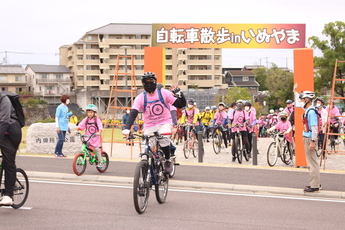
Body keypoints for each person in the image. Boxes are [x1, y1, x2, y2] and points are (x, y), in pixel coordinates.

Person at [122, 72, 186, 173]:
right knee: (145, 147)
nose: (149, 84)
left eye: (151, 82)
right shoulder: (140, 98)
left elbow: (180, 104)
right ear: (143, 84)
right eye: (146, 82)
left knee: (164, 140)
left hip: (165, 122)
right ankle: (144, 171)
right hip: (149, 125)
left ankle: (168, 160)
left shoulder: (164, 93)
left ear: (155, 82)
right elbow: (133, 112)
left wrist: (180, 95)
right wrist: (126, 128)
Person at [0, 92, 22, 206]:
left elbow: (4, 121)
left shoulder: (4, 101)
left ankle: (8, 195)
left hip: (10, 135)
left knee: (8, 162)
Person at [299, 91, 321, 193]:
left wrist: (313, 141)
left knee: (312, 163)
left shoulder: (311, 112)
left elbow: (314, 128)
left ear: (307, 100)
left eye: (302, 99)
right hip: (307, 138)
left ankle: (315, 186)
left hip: (309, 139)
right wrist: (296, 91)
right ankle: (315, 183)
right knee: (311, 162)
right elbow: (300, 105)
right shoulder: (308, 110)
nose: (301, 101)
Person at [75, 104, 104, 168]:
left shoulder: (97, 120)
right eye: (88, 112)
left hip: (95, 137)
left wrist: (99, 132)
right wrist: (77, 130)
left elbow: (100, 127)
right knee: (84, 146)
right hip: (87, 136)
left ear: (94, 112)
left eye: (91, 112)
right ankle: (84, 157)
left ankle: (100, 161)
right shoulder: (86, 119)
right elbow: (81, 125)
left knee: (97, 149)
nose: (89, 114)